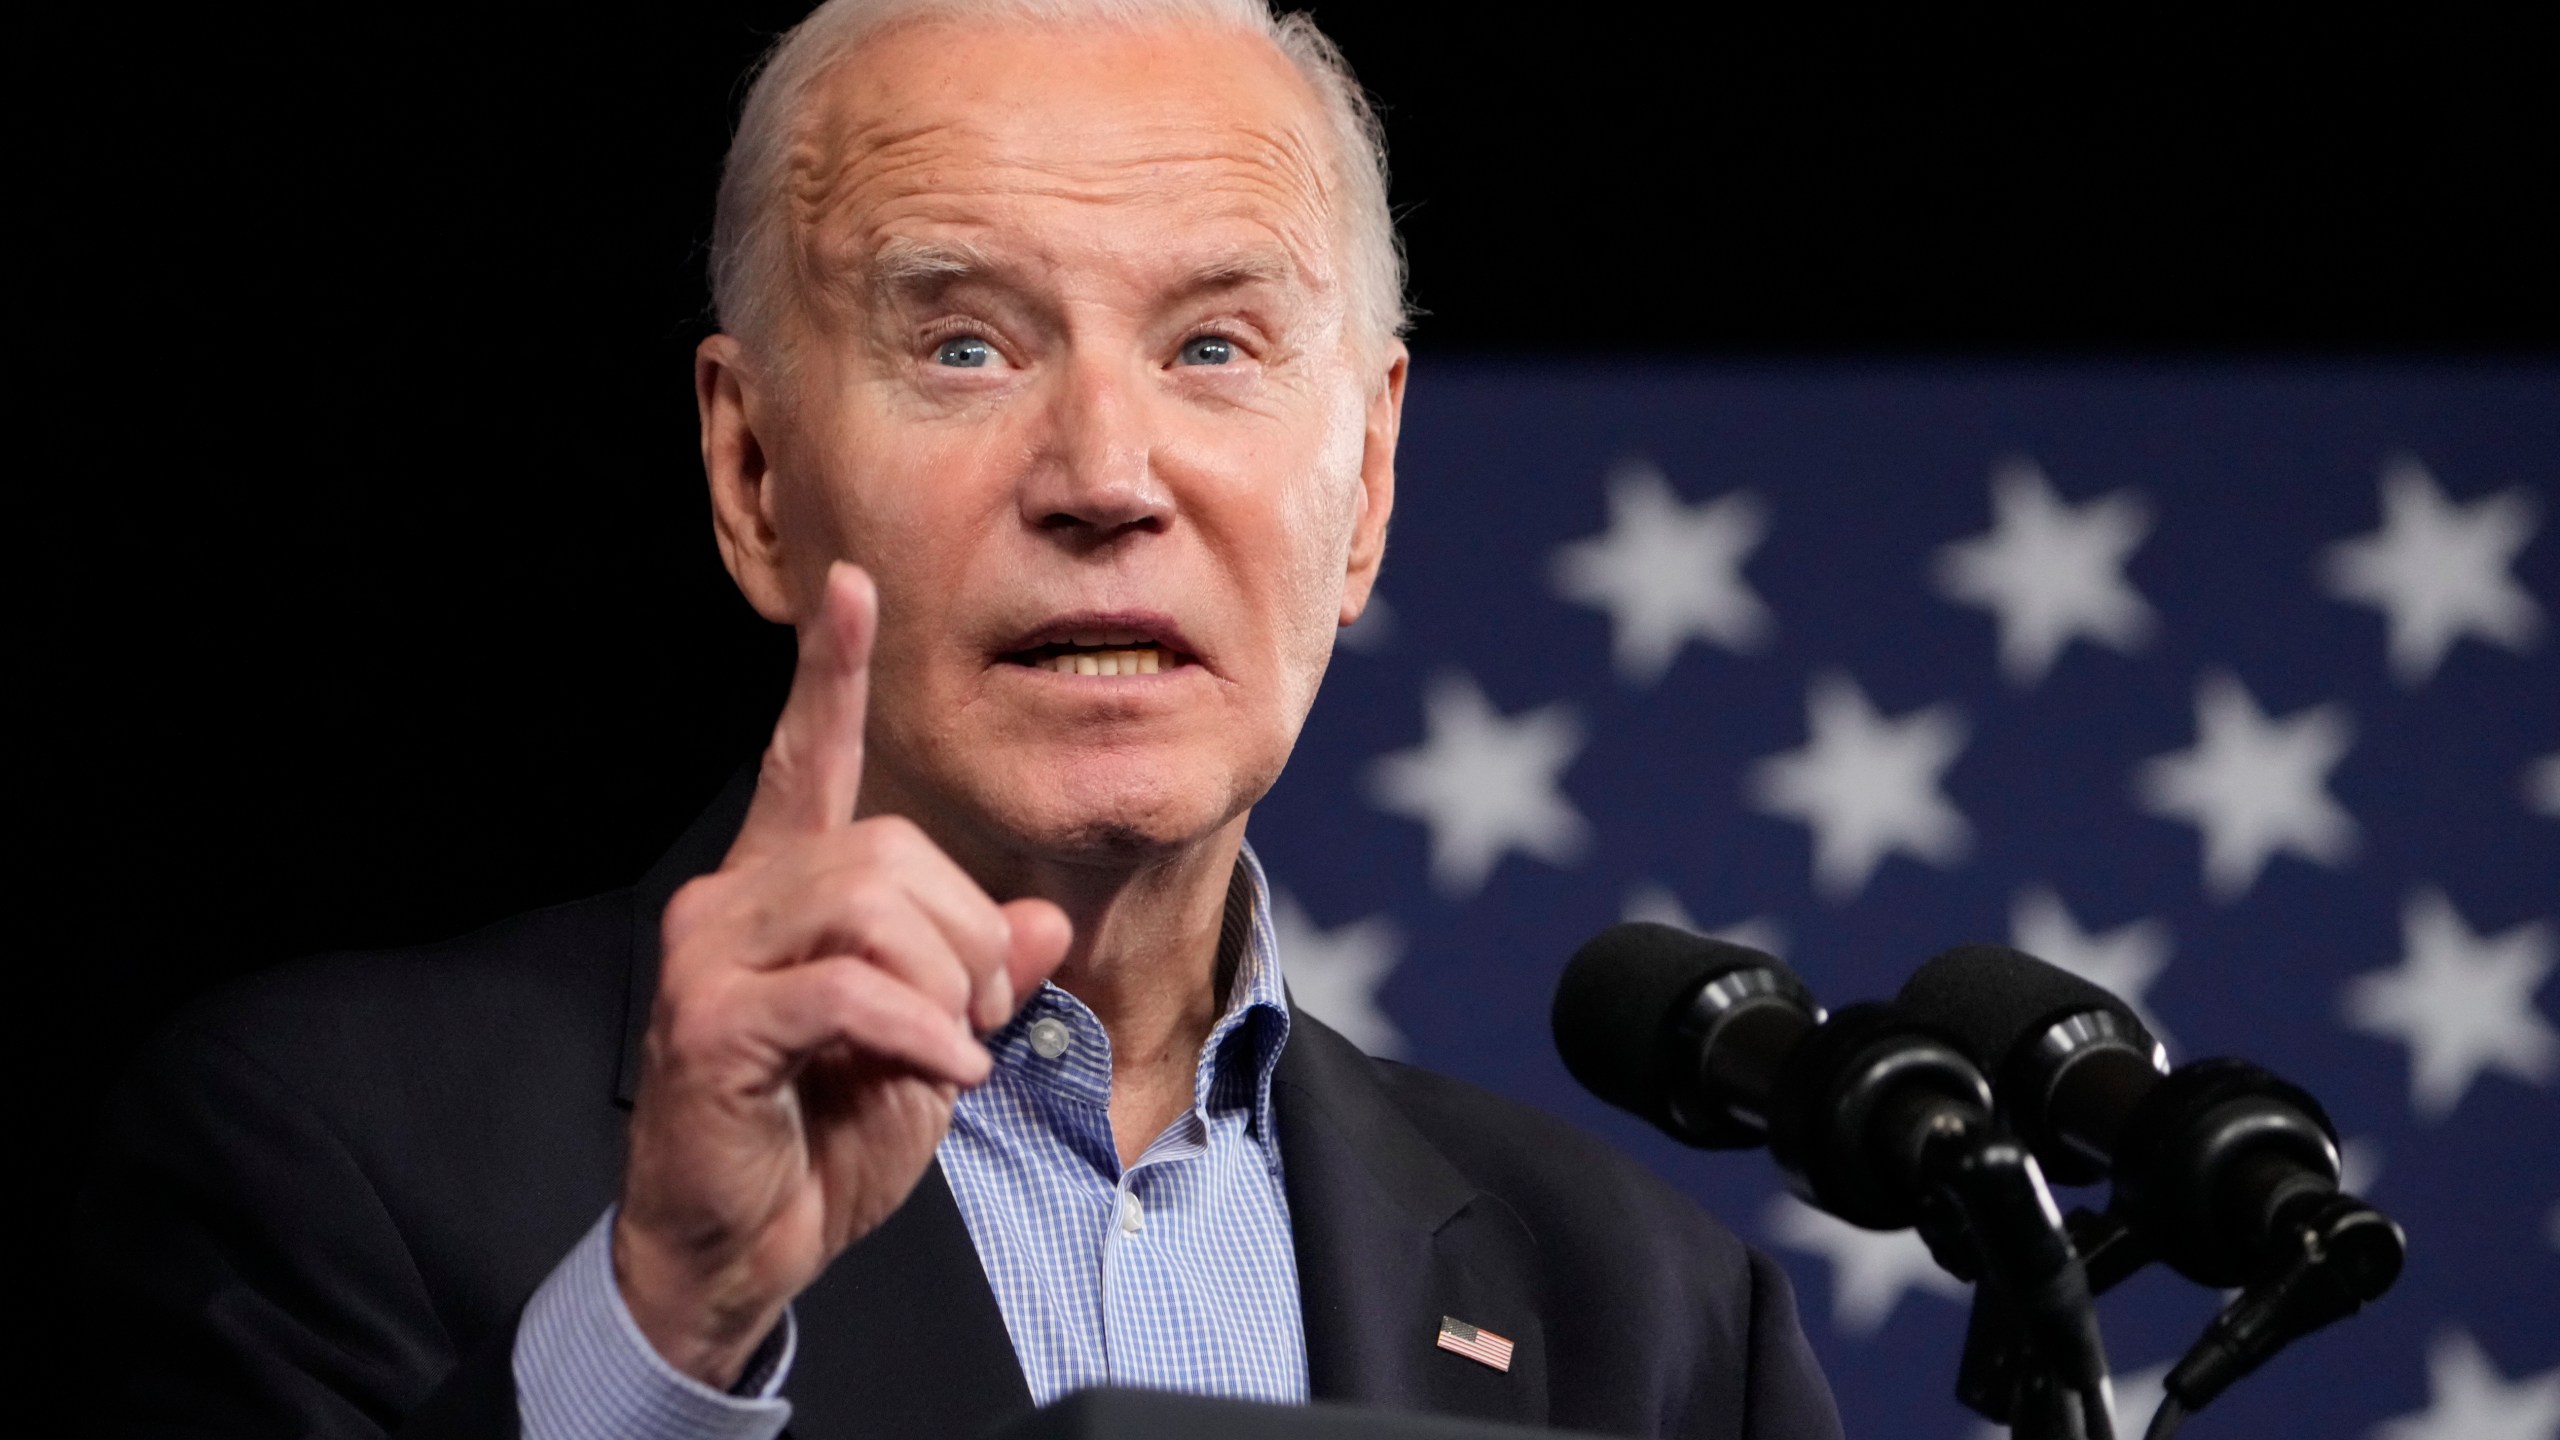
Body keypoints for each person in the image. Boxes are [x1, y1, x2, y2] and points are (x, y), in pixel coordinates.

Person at [85, 2, 1844, 1437]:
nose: (1104, 478)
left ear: (1368, 480)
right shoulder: (328, 1150)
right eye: (965, 349)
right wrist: (667, 1329)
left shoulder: (1662, 1323)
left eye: (1215, 347)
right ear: (753, 469)